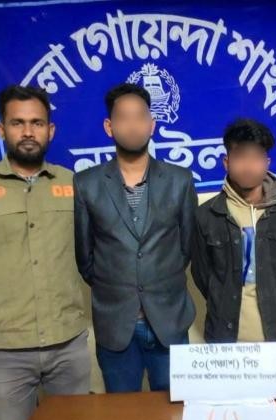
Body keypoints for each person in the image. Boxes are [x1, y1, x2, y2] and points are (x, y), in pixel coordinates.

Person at [0, 85, 90, 420]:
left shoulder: (73, 183)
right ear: (1, 129)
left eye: (37, 123)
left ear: (50, 130)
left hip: (68, 345)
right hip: (4, 351)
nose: (28, 132)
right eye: (18, 123)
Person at [73, 83, 197, 393]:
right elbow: (85, 257)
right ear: (109, 126)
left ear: (152, 125)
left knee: (175, 412)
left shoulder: (179, 180)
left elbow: (186, 248)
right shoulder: (86, 183)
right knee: (122, 416)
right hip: (115, 325)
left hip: (168, 321)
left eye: (140, 117)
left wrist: (156, 276)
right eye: (123, 117)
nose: (132, 125)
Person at [191, 118, 276, 385]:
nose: (248, 165)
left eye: (256, 157)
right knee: (226, 408)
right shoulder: (207, 215)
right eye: (240, 156)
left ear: (266, 162)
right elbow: (202, 274)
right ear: (226, 162)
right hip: (225, 340)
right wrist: (223, 296)